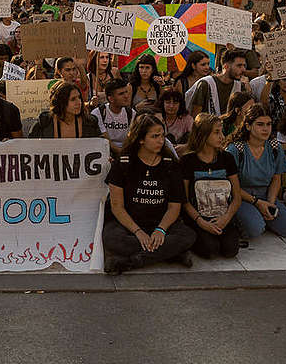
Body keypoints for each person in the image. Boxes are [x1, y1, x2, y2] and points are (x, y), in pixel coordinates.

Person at [103, 114, 195, 273]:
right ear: (140, 139)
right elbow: (117, 207)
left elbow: (174, 207)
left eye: (162, 136)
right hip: (129, 224)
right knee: (112, 239)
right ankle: (170, 254)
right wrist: (138, 232)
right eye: (155, 136)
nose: (161, 140)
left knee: (188, 236)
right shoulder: (124, 163)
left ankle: (131, 262)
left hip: (160, 223)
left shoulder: (170, 164)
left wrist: (161, 229)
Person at [226, 104, 286, 239]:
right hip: (241, 197)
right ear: (248, 126)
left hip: (266, 195)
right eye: (260, 124)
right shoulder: (236, 149)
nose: (265, 129)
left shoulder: (274, 147)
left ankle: (264, 218)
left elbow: (276, 178)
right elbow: (232, 185)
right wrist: (257, 203)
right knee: (255, 229)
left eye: (268, 124)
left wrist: (270, 202)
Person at [180, 114, 242, 259]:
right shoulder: (188, 160)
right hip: (198, 217)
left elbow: (237, 197)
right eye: (216, 132)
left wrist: (226, 218)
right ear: (203, 133)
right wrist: (201, 222)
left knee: (230, 250)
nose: (222, 136)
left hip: (222, 215)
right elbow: (184, 199)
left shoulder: (227, 158)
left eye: (221, 132)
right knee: (210, 250)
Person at [29, 81, 103, 139]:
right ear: (61, 102)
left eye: (79, 97)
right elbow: (30, 148)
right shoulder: (44, 123)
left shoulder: (90, 122)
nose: (79, 102)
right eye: (73, 99)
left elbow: (100, 146)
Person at [190, 49, 247, 117]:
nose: (243, 69)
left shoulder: (240, 86)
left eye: (244, 66)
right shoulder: (206, 84)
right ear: (226, 66)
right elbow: (195, 115)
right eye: (239, 66)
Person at [93, 78, 135, 155]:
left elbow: (130, 137)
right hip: (105, 151)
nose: (126, 96)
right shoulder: (98, 113)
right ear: (111, 98)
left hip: (125, 151)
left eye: (126, 92)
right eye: (121, 94)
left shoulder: (131, 113)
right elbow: (105, 139)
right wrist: (120, 152)